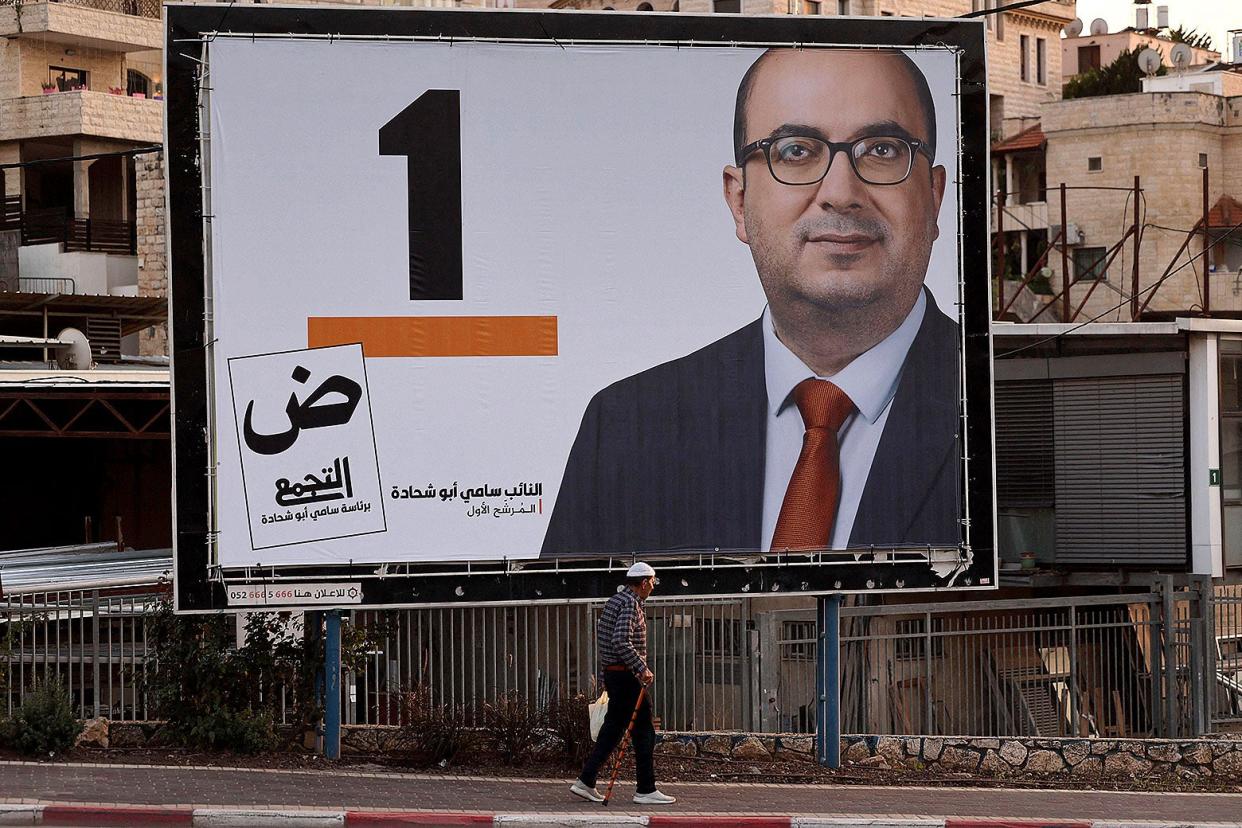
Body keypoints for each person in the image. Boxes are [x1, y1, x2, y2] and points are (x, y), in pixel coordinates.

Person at [542, 48, 960, 563]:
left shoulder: (1008, 417)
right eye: (795, 152)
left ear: (936, 197)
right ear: (738, 202)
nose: (840, 192)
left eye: (882, 150)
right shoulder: (627, 426)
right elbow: (565, 639)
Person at [570, 562, 675, 806]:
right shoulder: (630, 604)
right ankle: (646, 789)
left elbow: (607, 641)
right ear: (645, 582)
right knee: (644, 731)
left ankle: (586, 780)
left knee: (613, 729)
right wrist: (642, 668)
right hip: (627, 676)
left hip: (615, 674)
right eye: (653, 582)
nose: (653, 587)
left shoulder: (615, 600)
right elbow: (620, 640)